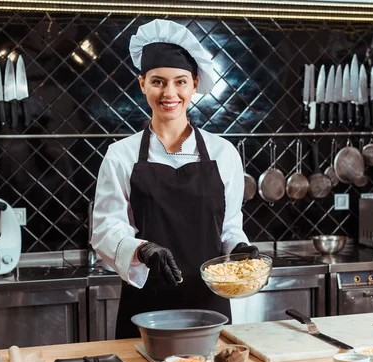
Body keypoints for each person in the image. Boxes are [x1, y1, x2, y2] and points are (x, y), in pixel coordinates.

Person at [91, 19, 259, 339]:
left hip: (209, 305)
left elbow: (228, 226)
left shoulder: (223, 153)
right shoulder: (121, 155)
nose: (169, 93)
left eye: (180, 82)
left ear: (194, 84)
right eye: (158, 81)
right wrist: (143, 250)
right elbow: (105, 230)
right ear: (142, 84)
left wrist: (239, 248)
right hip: (146, 306)